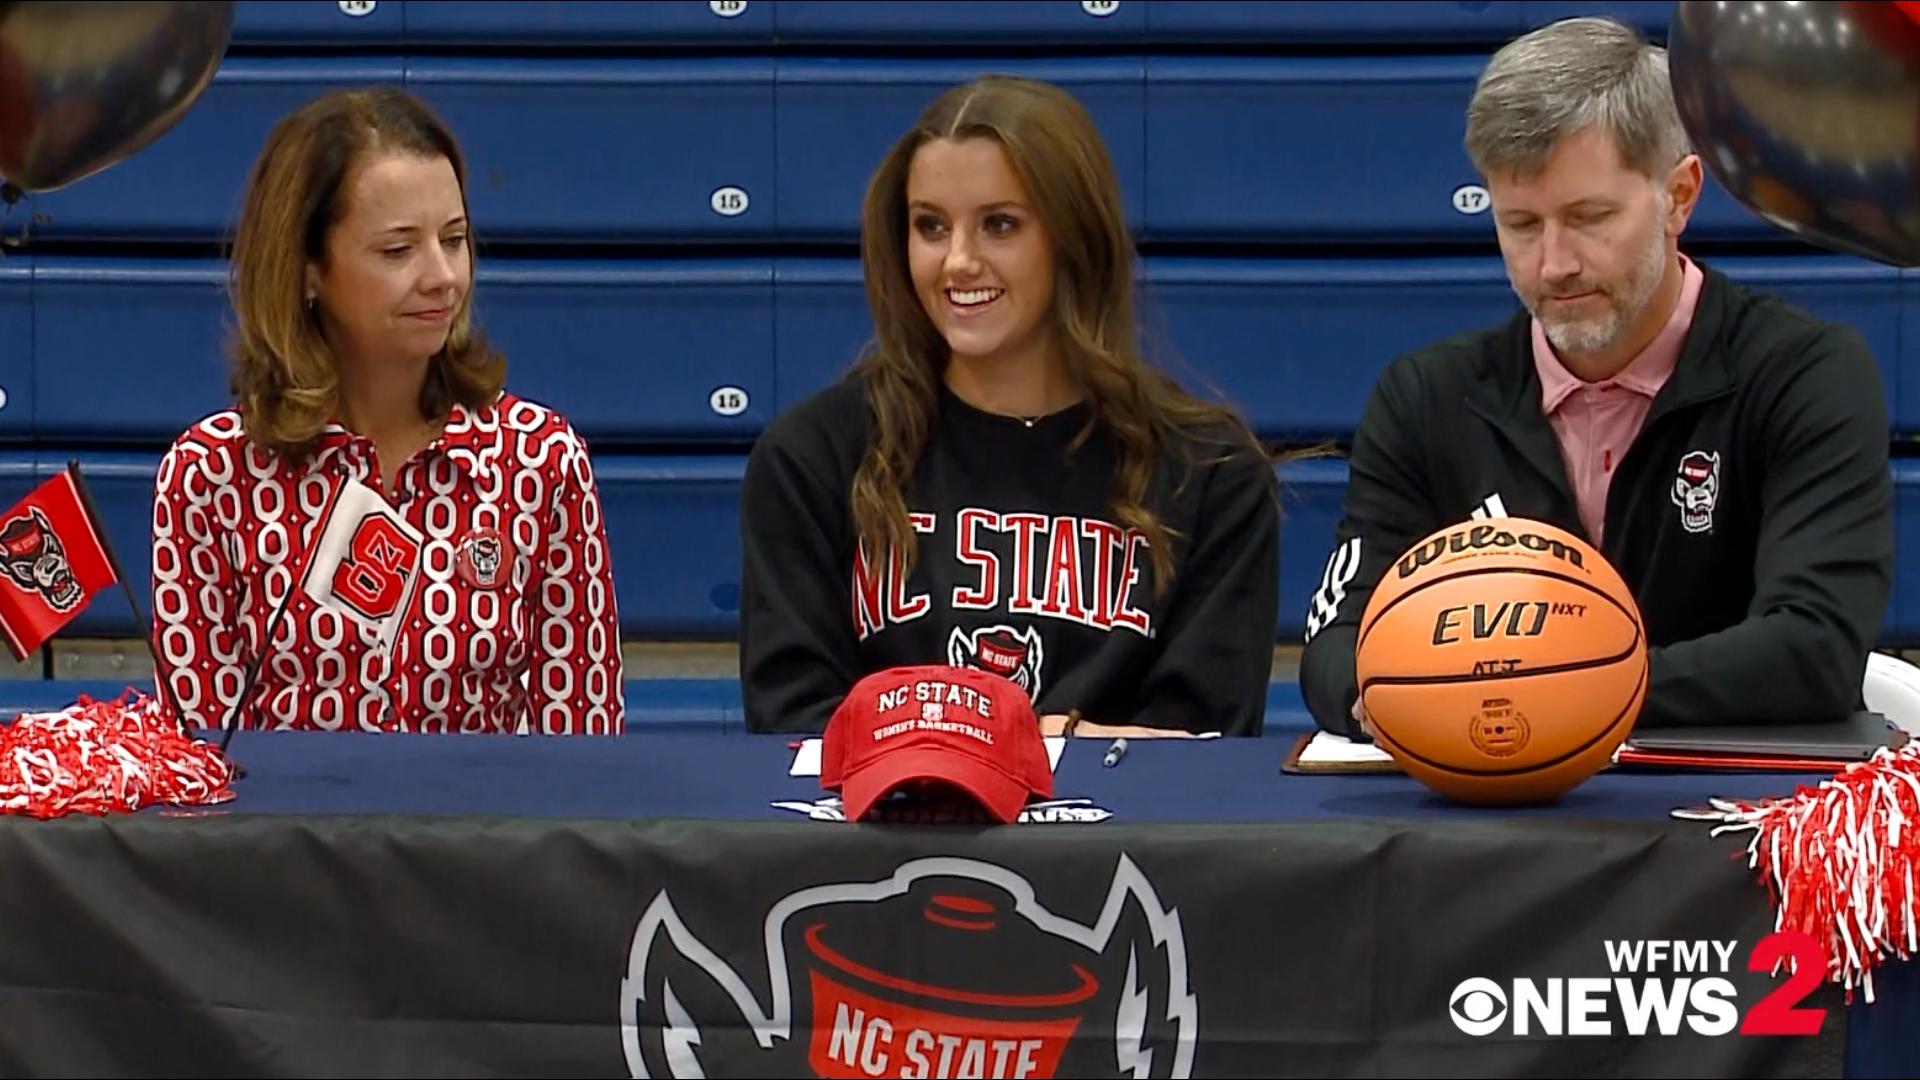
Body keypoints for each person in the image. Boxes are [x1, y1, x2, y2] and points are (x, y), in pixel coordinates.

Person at [1299, 16, 1895, 740]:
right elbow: (1336, 645)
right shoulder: (1425, 397)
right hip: (1485, 821)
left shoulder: (1805, 372)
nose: (1554, 264)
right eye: (1520, 225)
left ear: (1680, 195)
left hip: (1729, 824)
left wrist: (1544, 698)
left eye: (1589, 217)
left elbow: (1815, 647)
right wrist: (1407, 696)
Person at [739, 75, 1281, 737]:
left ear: (1073, 239)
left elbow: (1202, 752)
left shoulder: (1211, 471)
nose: (958, 262)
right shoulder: (812, 458)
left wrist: (979, 745)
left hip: (1116, 842)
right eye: (930, 226)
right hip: (883, 838)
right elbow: (792, 734)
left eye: (1000, 225)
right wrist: (1029, 743)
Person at [150, 87, 625, 735]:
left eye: (453, 240)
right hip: (279, 837)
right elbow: (194, 757)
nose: (443, 277)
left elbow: (585, 739)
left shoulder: (539, 459)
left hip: (488, 834)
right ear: (309, 269)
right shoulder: (210, 475)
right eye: (398, 250)